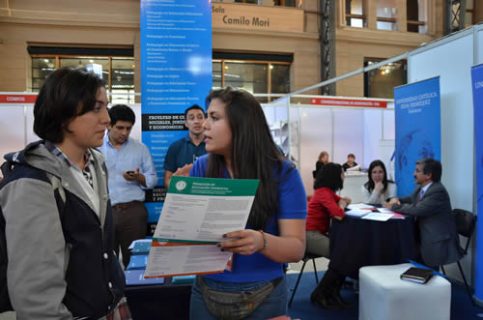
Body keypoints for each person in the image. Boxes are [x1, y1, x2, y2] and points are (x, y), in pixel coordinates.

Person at [0, 67, 126, 318]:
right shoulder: (32, 183)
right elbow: (36, 292)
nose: (107, 119)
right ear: (63, 114)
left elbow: (100, 245)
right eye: (96, 108)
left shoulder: (96, 163)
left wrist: (117, 297)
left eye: (106, 107)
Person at [188, 87, 307, 320]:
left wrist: (261, 241)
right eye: (206, 116)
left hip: (264, 295)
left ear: (241, 123)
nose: (204, 125)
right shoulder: (201, 167)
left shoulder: (283, 173)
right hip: (206, 290)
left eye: (214, 117)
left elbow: (296, 249)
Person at [99, 104, 157, 268]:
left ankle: (135, 293)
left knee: (135, 260)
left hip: (133, 211)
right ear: (109, 125)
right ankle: (111, 293)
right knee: (105, 260)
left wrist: (139, 177)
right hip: (104, 210)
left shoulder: (140, 149)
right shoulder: (95, 148)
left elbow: (152, 180)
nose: (124, 132)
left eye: (128, 128)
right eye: (120, 127)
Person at [385, 158, 462, 268]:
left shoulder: (437, 191)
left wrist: (394, 206)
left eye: (417, 171)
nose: (414, 174)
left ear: (428, 175)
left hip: (436, 239)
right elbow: (411, 199)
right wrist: (398, 199)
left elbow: (418, 209)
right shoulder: (421, 188)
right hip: (423, 233)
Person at [307, 163, 352, 310]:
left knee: (345, 256)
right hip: (309, 235)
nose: (343, 176)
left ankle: (331, 293)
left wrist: (341, 202)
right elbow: (339, 215)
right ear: (334, 176)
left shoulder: (326, 191)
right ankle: (321, 293)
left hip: (316, 233)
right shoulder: (323, 192)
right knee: (342, 257)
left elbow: (345, 200)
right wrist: (341, 204)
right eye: (341, 174)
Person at [163, 104, 207, 188]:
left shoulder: (214, 147)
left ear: (205, 121)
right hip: (183, 198)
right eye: (191, 118)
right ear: (186, 123)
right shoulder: (175, 147)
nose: (196, 121)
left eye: (200, 117)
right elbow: (167, 181)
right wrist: (182, 190)